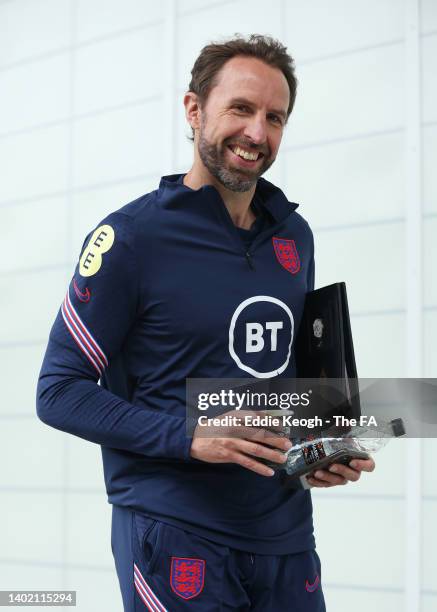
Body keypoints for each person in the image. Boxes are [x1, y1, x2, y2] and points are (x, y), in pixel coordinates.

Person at [37, 34, 375, 611]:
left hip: (287, 538)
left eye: (275, 117)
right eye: (240, 109)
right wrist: (188, 436)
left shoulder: (293, 236)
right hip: (177, 535)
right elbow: (58, 391)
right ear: (194, 110)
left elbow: (282, 381)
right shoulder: (132, 238)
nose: (258, 134)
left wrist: (320, 445)